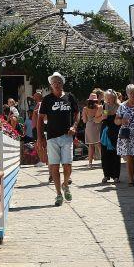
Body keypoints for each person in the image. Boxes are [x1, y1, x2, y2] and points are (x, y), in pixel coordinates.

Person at [39, 72, 79, 206]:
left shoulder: (70, 97)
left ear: (62, 83)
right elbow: (40, 119)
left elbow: (76, 113)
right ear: (51, 85)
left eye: (59, 82)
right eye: (54, 82)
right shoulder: (47, 100)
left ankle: (65, 184)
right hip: (51, 137)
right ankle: (58, 194)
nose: (56, 84)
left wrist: (74, 126)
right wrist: (40, 138)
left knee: (67, 165)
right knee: (54, 167)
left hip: (67, 136)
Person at [99, 89, 122, 184]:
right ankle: (106, 175)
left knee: (116, 154)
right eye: (106, 98)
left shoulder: (119, 106)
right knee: (105, 154)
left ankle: (116, 176)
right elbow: (103, 118)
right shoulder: (105, 106)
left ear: (114, 98)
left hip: (116, 131)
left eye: (110, 98)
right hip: (106, 131)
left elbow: (120, 119)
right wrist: (105, 112)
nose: (108, 100)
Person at [82, 92, 103, 168]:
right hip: (98, 125)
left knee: (91, 146)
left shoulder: (85, 108)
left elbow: (84, 120)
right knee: (99, 145)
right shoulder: (100, 107)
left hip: (89, 126)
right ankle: (103, 162)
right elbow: (103, 116)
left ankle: (90, 163)